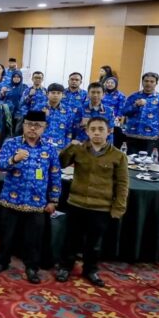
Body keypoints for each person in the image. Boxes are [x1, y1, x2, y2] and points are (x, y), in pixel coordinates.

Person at [57, 117, 129, 288]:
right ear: (87, 132)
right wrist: (70, 147)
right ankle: (65, 267)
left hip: (101, 207)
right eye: (93, 129)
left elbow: (122, 184)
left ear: (109, 131)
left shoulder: (118, 156)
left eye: (101, 129)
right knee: (71, 239)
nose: (97, 133)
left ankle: (90, 270)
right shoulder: (79, 150)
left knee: (94, 243)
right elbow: (61, 163)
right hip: (77, 203)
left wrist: (118, 208)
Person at [0, 110, 62, 284]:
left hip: (37, 202)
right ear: (23, 125)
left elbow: (55, 176)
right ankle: (2, 262)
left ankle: (32, 267)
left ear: (44, 127)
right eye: (29, 124)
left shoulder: (50, 149)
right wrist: (14, 159)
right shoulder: (12, 143)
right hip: (11, 199)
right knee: (6, 235)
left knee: (34, 239)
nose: (33, 128)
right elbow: (0, 165)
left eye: (37, 125)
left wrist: (53, 200)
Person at [122, 72, 159, 153]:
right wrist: (136, 105)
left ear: (156, 83)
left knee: (147, 159)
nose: (148, 83)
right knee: (129, 158)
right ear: (142, 82)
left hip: (151, 136)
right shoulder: (133, 96)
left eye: (152, 81)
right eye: (146, 81)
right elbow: (124, 112)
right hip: (132, 134)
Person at [42, 83, 77, 150]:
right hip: (41, 145)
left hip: (60, 146)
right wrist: (45, 117)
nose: (56, 95)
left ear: (62, 95)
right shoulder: (39, 108)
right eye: (53, 93)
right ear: (47, 94)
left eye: (58, 93)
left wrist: (66, 147)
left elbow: (69, 130)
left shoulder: (68, 110)